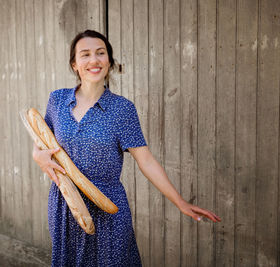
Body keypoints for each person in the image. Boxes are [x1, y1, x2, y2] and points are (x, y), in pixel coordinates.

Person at [32, 29, 221, 267]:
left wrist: (180, 202)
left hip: (108, 207)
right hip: (65, 202)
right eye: (85, 54)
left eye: (101, 53)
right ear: (74, 64)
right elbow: (40, 141)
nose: (94, 60)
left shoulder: (122, 109)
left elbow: (146, 161)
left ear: (109, 61)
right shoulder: (57, 100)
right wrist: (37, 156)